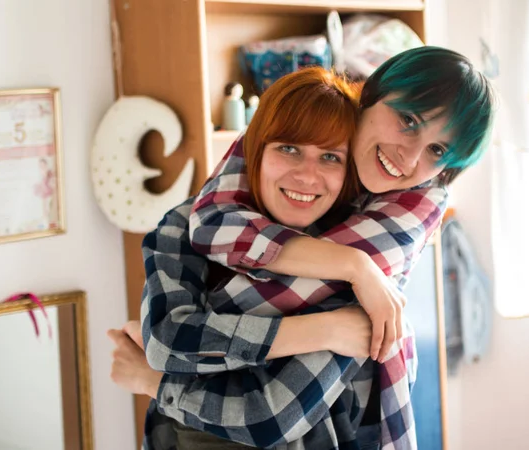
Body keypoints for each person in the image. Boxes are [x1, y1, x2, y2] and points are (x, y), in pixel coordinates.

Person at [109, 46, 495, 449]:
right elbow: (172, 334)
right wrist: (332, 310)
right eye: (408, 120)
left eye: (437, 150)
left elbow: (266, 414)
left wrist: (156, 376)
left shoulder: (388, 247)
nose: (412, 155)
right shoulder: (181, 225)